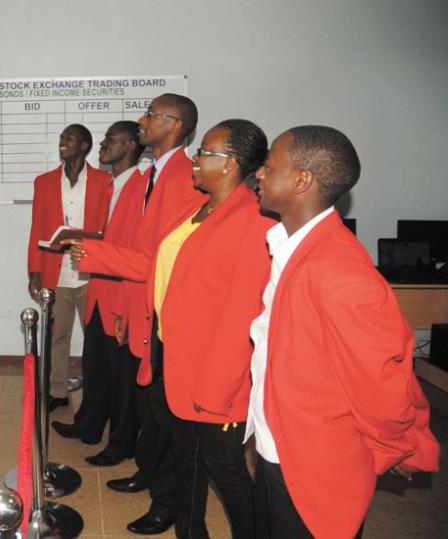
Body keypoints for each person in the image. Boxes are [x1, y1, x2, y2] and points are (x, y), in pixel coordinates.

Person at [249, 125, 440, 538]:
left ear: (302, 180)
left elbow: (381, 386)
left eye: (268, 165)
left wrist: (399, 449)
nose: (259, 175)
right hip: (276, 445)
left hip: (312, 466)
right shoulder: (292, 250)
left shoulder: (339, 270)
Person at [72, 94, 207, 535]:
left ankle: (167, 503)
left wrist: (92, 253)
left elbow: (158, 263)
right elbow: (142, 253)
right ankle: (151, 477)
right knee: (150, 411)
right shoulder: (154, 176)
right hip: (143, 310)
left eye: (150, 115)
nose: (142, 121)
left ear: (175, 124)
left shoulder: (183, 180)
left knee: (164, 417)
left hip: (168, 319)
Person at [147, 120, 273, 538]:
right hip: (182, 362)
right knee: (188, 458)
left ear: (231, 163)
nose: (195, 159)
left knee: (226, 468)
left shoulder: (254, 219)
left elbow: (243, 314)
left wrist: (217, 390)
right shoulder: (199, 209)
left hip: (217, 377)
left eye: (204, 151)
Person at [52, 121, 145, 462]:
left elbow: (135, 247)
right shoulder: (112, 186)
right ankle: (88, 424)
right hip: (98, 288)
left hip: (120, 291)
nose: (103, 144)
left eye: (110, 140)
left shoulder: (139, 185)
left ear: (132, 145)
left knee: (122, 378)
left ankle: (120, 444)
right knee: (95, 365)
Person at [26, 124, 111, 412]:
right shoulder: (44, 182)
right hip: (56, 272)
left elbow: (108, 228)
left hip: (92, 273)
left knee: (95, 339)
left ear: (85, 145)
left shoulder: (104, 181)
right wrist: (34, 271)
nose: (63, 142)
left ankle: (98, 394)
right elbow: (36, 226)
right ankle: (58, 391)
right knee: (57, 336)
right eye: (62, 139)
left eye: (70, 138)